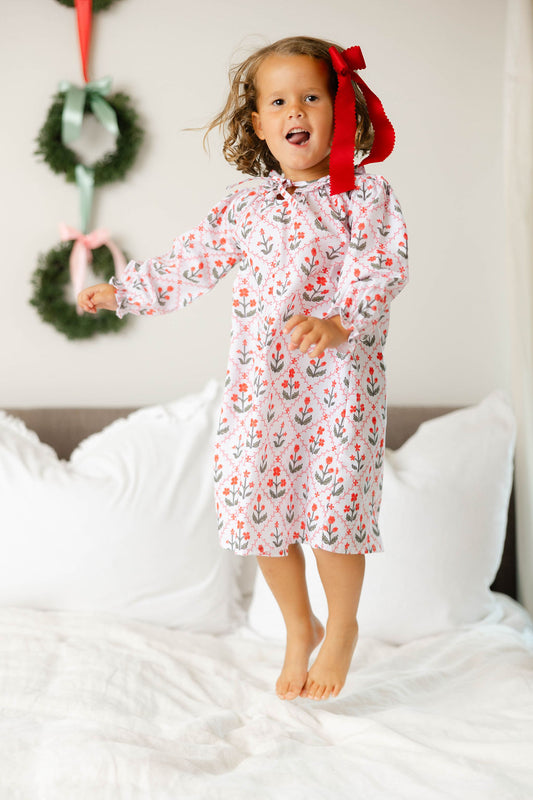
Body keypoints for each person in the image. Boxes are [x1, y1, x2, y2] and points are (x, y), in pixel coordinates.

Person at [78, 35, 408, 702]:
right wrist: (128, 290)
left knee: (332, 507)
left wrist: (339, 319)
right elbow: (189, 262)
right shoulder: (246, 205)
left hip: (338, 388)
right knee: (259, 505)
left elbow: (383, 266)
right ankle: (298, 626)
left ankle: (341, 626)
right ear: (257, 123)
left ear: (341, 109)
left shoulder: (364, 197)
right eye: (279, 100)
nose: (296, 110)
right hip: (261, 389)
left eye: (312, 96)